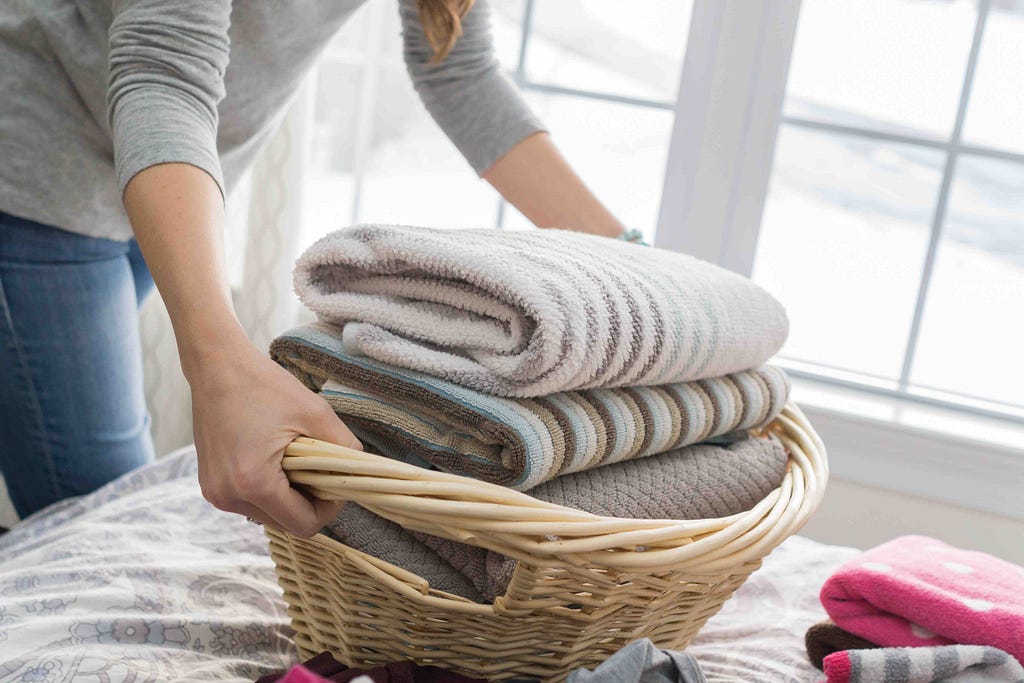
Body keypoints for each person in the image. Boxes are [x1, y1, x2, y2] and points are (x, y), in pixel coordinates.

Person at [0, 0, 628, 534]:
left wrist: (628, 262)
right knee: (103, 524)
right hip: (35, 173)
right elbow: (163, 66)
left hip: (168, 183)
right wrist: (221, 367)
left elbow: (458, 67)